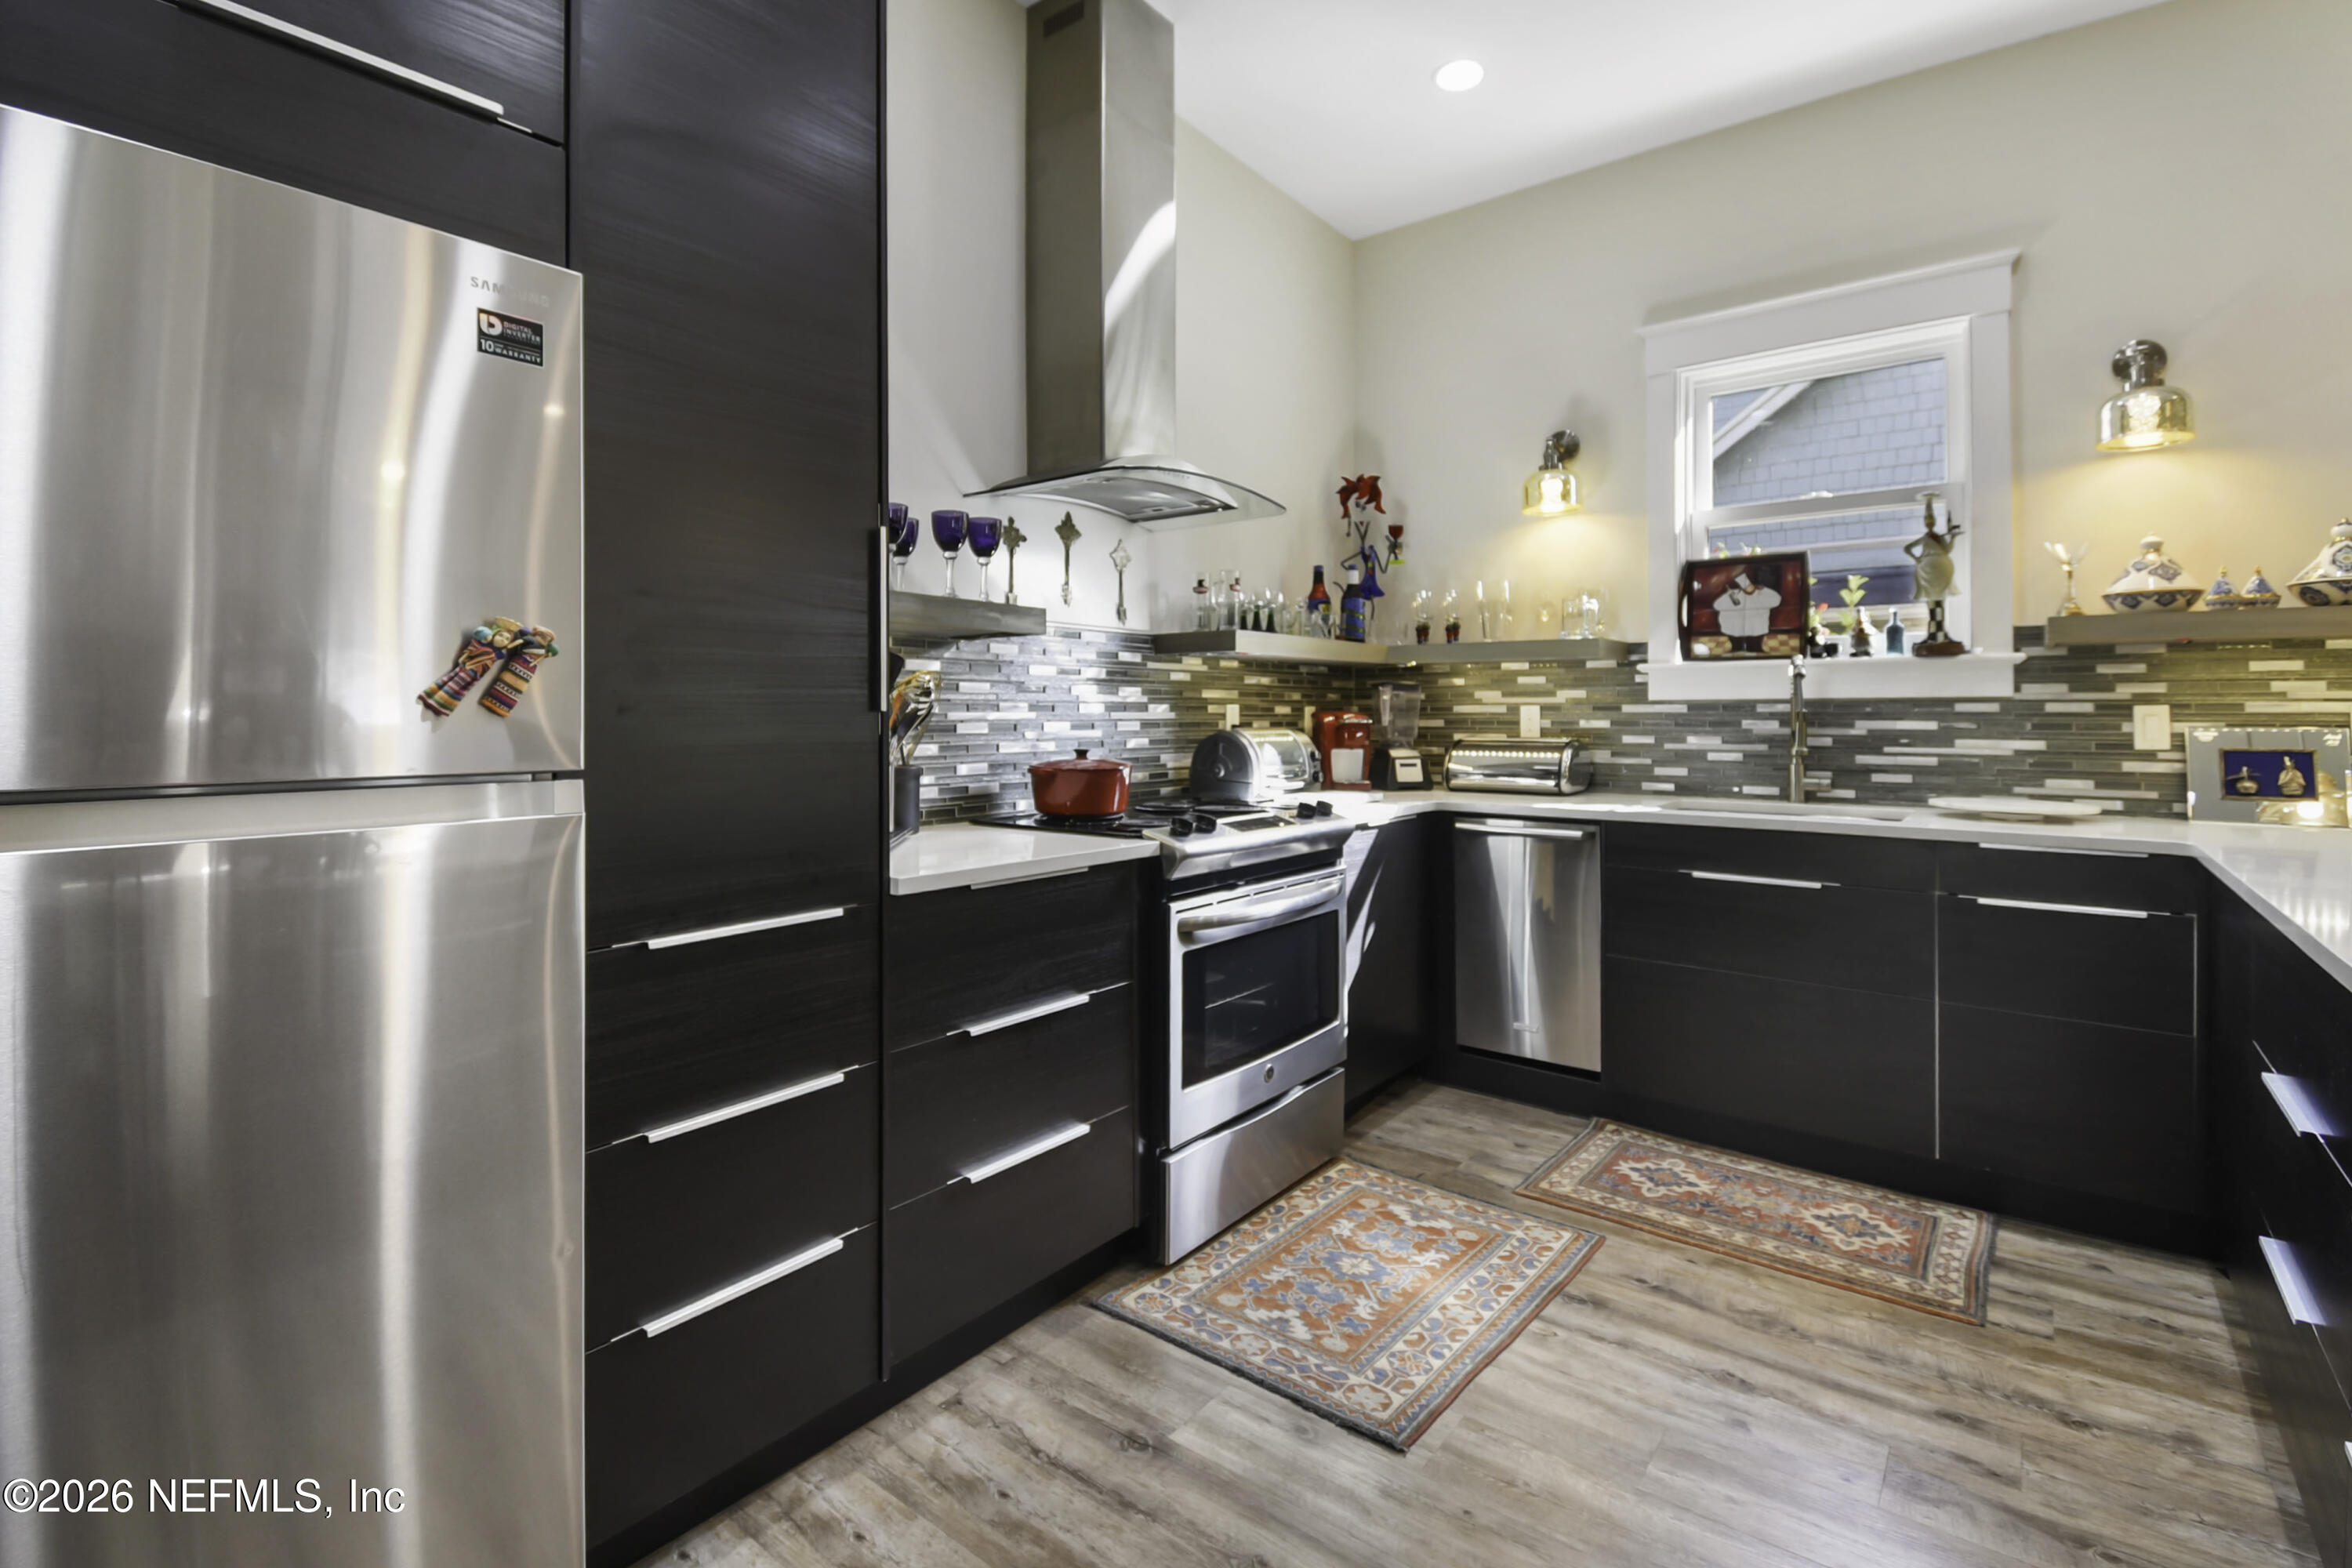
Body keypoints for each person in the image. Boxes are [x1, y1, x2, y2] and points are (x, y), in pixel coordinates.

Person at [1713, 568, 1781, 653]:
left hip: (1756, 627)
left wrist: (1756, 593)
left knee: (1754, 646)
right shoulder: (1734, 594)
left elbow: (1776, 601)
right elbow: (1717, 605)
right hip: (1734, 626)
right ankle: (1736, 650)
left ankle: (1756, 650)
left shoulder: (1764, 593)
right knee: (1736, 646)